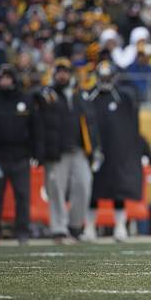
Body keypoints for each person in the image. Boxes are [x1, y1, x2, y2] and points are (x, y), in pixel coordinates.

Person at [0, 64, 43, 245]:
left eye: (7, 77)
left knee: (22, 196)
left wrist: (37, 153)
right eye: (1, 77)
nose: (4, 81)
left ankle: (22, 233)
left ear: (14, 79)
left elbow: (36, 128)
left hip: (21, 156)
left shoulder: (26, 100)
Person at [37, 59, 102, 244]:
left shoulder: (78, 95)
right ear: (54, 73)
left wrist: (95, 147)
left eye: (65, 71)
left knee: (83, 185)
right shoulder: (46, 94)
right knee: (56, 191)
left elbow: (90, 122)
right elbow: (38, 122)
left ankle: (75, 227)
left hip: (79, 150)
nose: (62, 75)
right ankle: (58, 230)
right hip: (56, 152)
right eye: (59, 71)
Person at [85, 61, 143, 242]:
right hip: (95, 151)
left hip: (117, 150)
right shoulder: (90, 97)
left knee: (118, 190)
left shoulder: (122, 97)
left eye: (108, 76)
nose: (105, 80)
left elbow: (134, 112)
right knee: (92, 190)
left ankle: (120, 227)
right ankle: (89, 228)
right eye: (102, 77)